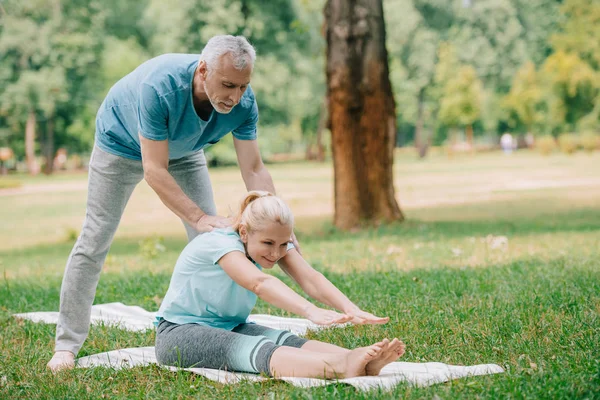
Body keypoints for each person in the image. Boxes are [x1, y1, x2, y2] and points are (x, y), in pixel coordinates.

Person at [47, 35, 298, 371]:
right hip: (119, 145)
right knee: (95, 239)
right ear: (203, 70)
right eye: (227, 85)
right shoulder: (161, 87)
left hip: (184, 150)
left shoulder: (243, 103)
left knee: (213, 243)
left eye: (242, 86)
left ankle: (209, 327)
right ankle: (66, 345)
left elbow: (253, 169)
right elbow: (154, 170)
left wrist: (278, 225)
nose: (235, 96)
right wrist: (198, 216)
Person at [155, 191, 406, 379]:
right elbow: (259, 283)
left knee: (286, 340)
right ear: (244, 232)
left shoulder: (272, 239)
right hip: (179, 333)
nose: (276, 253)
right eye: (268, 244)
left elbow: (311, 278)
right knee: (257, 348)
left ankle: (357, 361)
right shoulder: (219, 244)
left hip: (231, 326)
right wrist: (311, 311)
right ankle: (341, 367)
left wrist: (351, 309)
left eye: (283, 244)